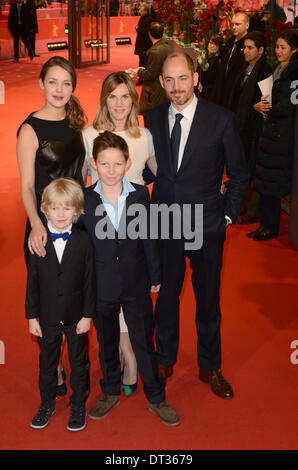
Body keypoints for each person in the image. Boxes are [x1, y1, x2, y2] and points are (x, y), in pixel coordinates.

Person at [147, 52, 249, 399]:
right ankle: (164, 359)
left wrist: (225, 217)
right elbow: (150, 168)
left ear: (195, 78)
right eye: (169, 80)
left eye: (182, 78)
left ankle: (210, 366)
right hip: (165, 221)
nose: (176, 87)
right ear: (161, 82)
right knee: (166, 297)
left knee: (208, 299)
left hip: (206, 225)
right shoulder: (153, 117)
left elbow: (239, 174)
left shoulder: (221, 119)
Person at [82, 131, 179, 426]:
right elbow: (83, 248)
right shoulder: (84, 199)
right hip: (101, 285)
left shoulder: (139, 193)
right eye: (104, 164)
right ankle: (110, 391)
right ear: (93, 164)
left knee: (143, 342)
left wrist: (155, 274)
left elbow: (148, 237)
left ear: (127, 162)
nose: (111, 171)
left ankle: (156, 396)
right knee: (106, 341)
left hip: (136, 282)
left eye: (117, 164)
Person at [83, 71, 157, 396]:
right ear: (104, 99)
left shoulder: (144, 136)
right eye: (112, 96)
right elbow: (81, 184)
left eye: (125, 96)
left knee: (135, 312)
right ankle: (127, 364)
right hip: (103, 226)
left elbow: (156, 171)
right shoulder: (89, 135)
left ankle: (134, 364)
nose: (118, 103)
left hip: (133, 219)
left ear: (133, 99)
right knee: (110, 319)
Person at [17, 55, 87, 393]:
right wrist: (35, 223)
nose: (60, 89)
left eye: (66, 83)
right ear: (41, 83)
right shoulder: (30, 129)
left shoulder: (76, 124)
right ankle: (55, 367)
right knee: (49, 305)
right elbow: (28, 186)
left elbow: (83, 176)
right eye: (53, 82)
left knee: (75, 298)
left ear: (73, 87)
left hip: (78, 226)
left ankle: (76, 366)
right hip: (45, 226)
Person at [26, 178, 96, 431]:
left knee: (79, 363)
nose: (61, 214)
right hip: (46, 317)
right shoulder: (37, 241)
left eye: (67, 209)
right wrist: (32, 317)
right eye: (54, 208)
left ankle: (78, 403)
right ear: (44, 210)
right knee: (47, 363)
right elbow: (32, 282)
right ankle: (47, 403)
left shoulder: (84, 242)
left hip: (76, 316)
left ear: (77, 211)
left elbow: (90, 282)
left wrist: (88, 315)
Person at [248, 30, 298, 241]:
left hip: (283, 134)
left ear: (294, 50)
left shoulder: (294, 73)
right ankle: (265, 224)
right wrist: (259, 105)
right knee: (266, 181)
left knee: (273, 183)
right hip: (270, 130)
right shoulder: (279, 69)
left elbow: (290, 105)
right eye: (277, 47)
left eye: (283, 47)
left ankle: (271, 226)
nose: (278, 51)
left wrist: (268, 107)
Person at [228, 31, 273, 225]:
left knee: (251, 169)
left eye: (250, 48)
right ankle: (242, 205)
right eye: (244, 47)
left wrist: (254, 106)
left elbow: (267, 104)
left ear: (260, 50)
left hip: (255, 129)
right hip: (240, 127)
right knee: (239, 167)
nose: (245, 51)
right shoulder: (244, 68)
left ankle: (251, 210)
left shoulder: (266, 72)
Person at [130, 22, 172, 122]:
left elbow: (150, 74)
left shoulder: (155, 51)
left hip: (154, 92)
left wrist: (139, 71)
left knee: (151, 122)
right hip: (164, 90)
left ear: (149, 34)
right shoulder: (168, 48)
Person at [219, 12, 250, 108]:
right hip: (224, 91)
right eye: (232, 24)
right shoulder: (230, 42)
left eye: (238, 24)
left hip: (238, 95)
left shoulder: (249, 46)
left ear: (247, 25)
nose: (234, 27)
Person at [195, 35, 223, 104]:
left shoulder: (218, 60)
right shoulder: (202, 55)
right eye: (211, 43)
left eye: (215, 45)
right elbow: (198, 72)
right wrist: (198, 83)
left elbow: (216, 81)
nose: (212, 46)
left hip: (210, 93)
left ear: (219, 47)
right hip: (199, 89)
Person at [134, 3, 153, 84]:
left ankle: (143, 79)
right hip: (141, 43)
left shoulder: (149, 19)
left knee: (144, 62)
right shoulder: (142, 18)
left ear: (146, 11)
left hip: (145, 44)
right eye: (139, 10)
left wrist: (138, 28)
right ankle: (141, 78)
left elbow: (146, 31)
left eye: (141, 10)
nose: (140, 12)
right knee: (141, 61)